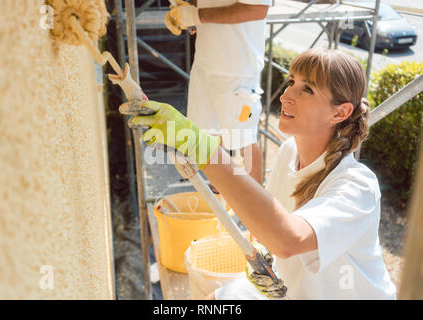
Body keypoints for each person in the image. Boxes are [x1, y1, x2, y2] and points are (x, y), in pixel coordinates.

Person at [125, 48, 397, 299]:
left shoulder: (357, 186)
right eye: (291, 82)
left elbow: (289, 240)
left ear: (340, 113)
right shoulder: (289, 152)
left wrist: (201, 148)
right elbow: (268, 227)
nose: (286, 96)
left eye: (307, 89)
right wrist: (265, 254)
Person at [164, 0, 272, 184]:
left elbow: (256, 9)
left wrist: (196, 15)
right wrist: (186, 9)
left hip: (237, 71)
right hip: (205, 65)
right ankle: (221, 196)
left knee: (243, 140)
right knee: (208, 137)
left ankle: (254, 210)